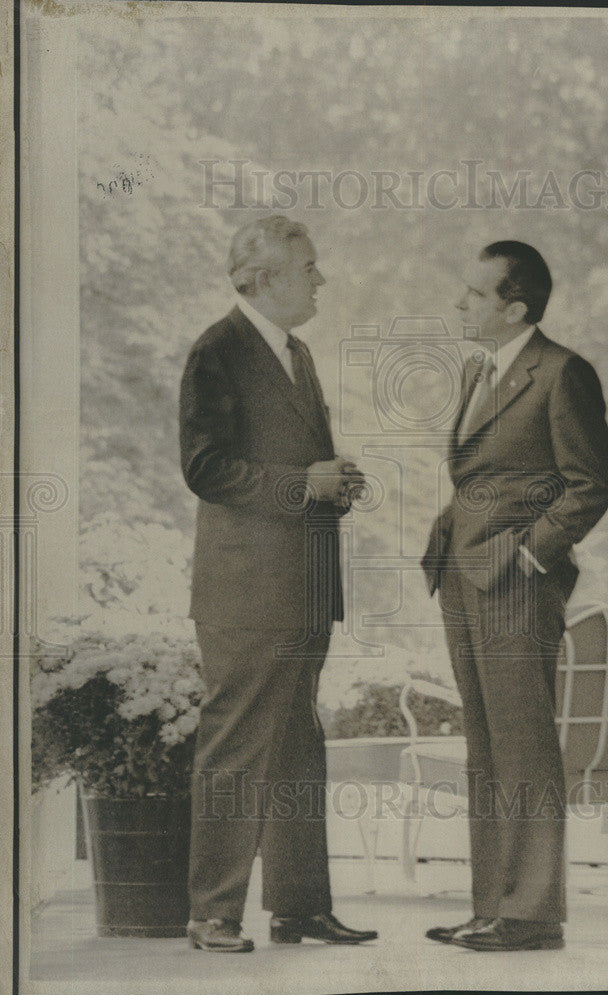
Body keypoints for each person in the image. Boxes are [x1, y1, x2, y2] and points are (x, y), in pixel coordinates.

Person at [179, 215, 376, 952]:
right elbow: (204, 469)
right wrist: (305, 483)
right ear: (260, 280)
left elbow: (287, 470)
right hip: (246, 595)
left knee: (298, 749)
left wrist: (332, 483)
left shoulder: (296, 354)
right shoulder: (217, 351)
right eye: (308, 268)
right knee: (235, 748)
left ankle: (299, 909)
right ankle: (211, 916)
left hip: (300, 592)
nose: (320, 279)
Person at [421, 241, 608, 952]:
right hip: (462, 575)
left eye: (474, 294)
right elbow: (481, 478)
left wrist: (526, 554)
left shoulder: (563, 373)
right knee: (485, 748)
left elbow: (588, 485)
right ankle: (492, 908)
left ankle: (530, 914)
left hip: (517, 586)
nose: (460, 303)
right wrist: (449, 538)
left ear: (515, 307)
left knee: (523, 749)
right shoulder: (481, 368)